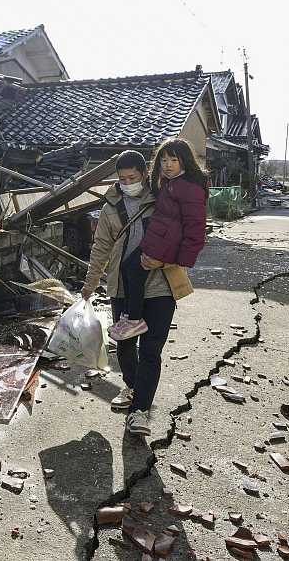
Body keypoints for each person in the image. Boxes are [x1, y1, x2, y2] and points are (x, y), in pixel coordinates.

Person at [81, 140, 205, 436]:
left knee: (151, 350)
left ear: (143, 174)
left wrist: (165, 262)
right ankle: (136, 388)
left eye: (133, 178)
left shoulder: (163, 195)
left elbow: (188, 231)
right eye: (122, 180)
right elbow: (100, 247)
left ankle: (140, 412)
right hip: (123, 287)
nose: (127, 184)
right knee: (125, 347)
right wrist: (90, 283)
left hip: (161, 287)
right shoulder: (111, 206)